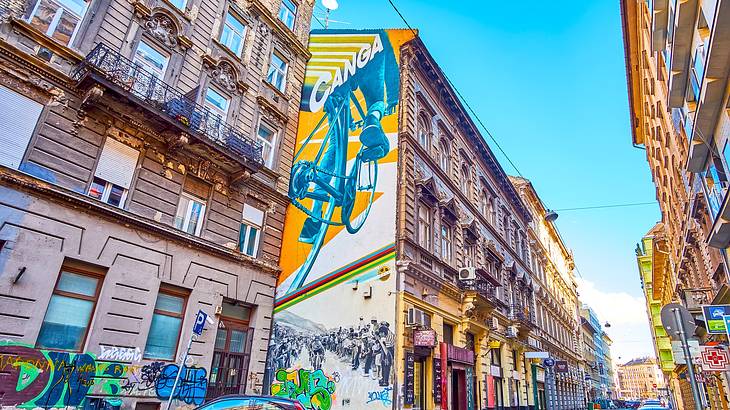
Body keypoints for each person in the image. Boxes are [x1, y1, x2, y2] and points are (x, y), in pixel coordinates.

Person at [298, 30, 400, 244]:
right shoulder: (379, 36)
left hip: (339, 70)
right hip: (371, 58)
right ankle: (373, 119)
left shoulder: (339, 40)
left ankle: (313, 220)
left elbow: (320, 60)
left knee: (334, 146)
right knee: (375, 101)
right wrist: (392, 99)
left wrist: (322, 95)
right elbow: (391, 65)